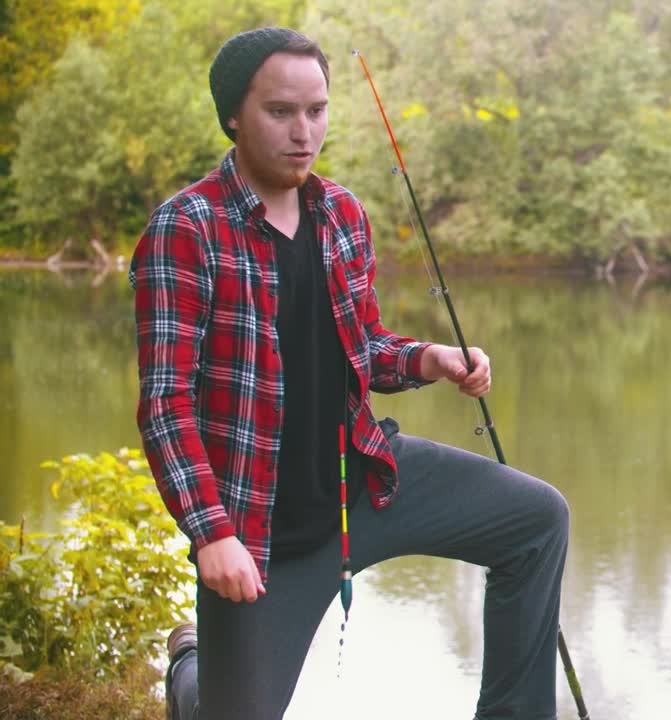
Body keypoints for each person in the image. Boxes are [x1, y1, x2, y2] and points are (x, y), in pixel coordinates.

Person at [130, 26, 570, 720]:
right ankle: (191, 670)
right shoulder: (185, 229)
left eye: (317, 110)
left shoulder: (340, 213)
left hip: (362, 481)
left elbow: (360, 345)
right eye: (280, 111)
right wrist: (212, 534)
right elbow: (166, 404)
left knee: (537, 520)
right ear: (234, 115)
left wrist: (430, 358)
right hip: (261, 530)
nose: (303, 131)